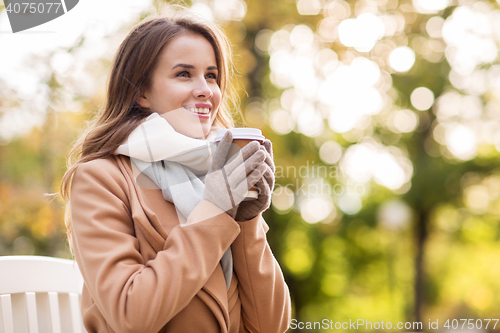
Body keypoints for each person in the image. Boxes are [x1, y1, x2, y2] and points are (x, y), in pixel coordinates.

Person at [59, 9, 292, 333]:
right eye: (184, 74)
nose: (206, 90)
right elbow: (131, 316)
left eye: (211, 76)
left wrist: (246, 222)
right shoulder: (101, 178)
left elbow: (271, 326)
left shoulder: (221, 174)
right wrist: (213, 210)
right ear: (141, 91)